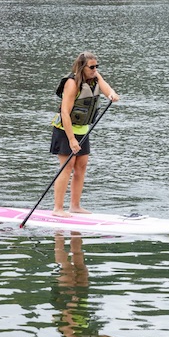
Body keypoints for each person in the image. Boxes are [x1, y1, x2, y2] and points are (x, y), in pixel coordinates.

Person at [50, 51, 119, 217]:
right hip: (65, 131)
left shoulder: (95, 77)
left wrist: (112, 94)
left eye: (97, 66)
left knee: (81, 167)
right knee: (67, 167)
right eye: (92, 67)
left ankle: (75, 206)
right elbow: (65, 113)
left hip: (82, 130)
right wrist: (72, 139)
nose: (95, 69)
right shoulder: (71, 84)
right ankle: (57, 209)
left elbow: (106, 87)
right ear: (82, 67)